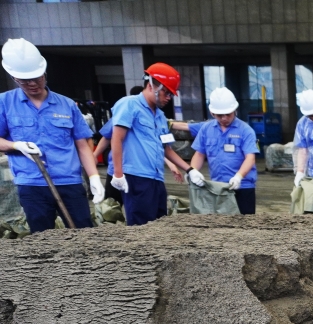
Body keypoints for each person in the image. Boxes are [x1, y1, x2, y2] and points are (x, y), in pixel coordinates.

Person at [0, 38, 103, 232]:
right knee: (42, 238)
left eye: (37, 78)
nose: (32, 83)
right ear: (14, 77)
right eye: (24, 80)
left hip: (69, 182)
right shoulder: (4, 103)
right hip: (32, 185)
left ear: (44, 72)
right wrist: (16, 146)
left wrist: (94, 176)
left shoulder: (66, 104)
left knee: (84, 233)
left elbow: (82, 145)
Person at [109, 63, 204, 226]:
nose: (168, 98)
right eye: (166, 92)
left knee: (159, 224)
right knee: (141, 227)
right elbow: (117, 139)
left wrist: (189, 169)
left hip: (156, 178)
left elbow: (166, 149)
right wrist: (118, 174)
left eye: (171, 94)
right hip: (136, 177)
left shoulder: (160, 116)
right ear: (151, 85)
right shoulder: (129, 105)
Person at [189, 87, 259, 214]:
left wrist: (239, 177)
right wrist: (193, 171)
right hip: (218, 188)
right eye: (220, 115)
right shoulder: (206, 129)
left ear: (235, 110)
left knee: (245, 226)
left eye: (228, 114)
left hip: (243, 187)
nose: (225, 118)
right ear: (212, 113)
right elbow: (199, 154)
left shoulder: (245, 130)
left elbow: (250, 157)